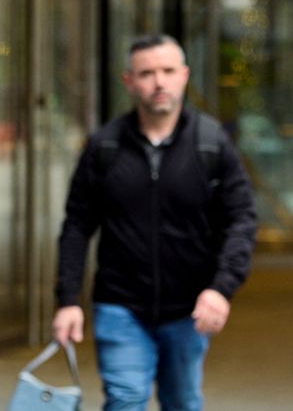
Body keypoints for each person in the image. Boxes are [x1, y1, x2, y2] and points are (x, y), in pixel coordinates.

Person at [52, 34, 257, 411]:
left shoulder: (210, 144)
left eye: (167, 71)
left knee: (182, 401)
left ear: (184, 75)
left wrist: (221, 288)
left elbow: (241, 219)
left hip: (188, 309)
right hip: (120, 306)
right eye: (146, 73)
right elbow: (78, 225)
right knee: (125, 399)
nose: (159, 82)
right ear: (128, 81)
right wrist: (67, 299)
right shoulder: (105, 147)